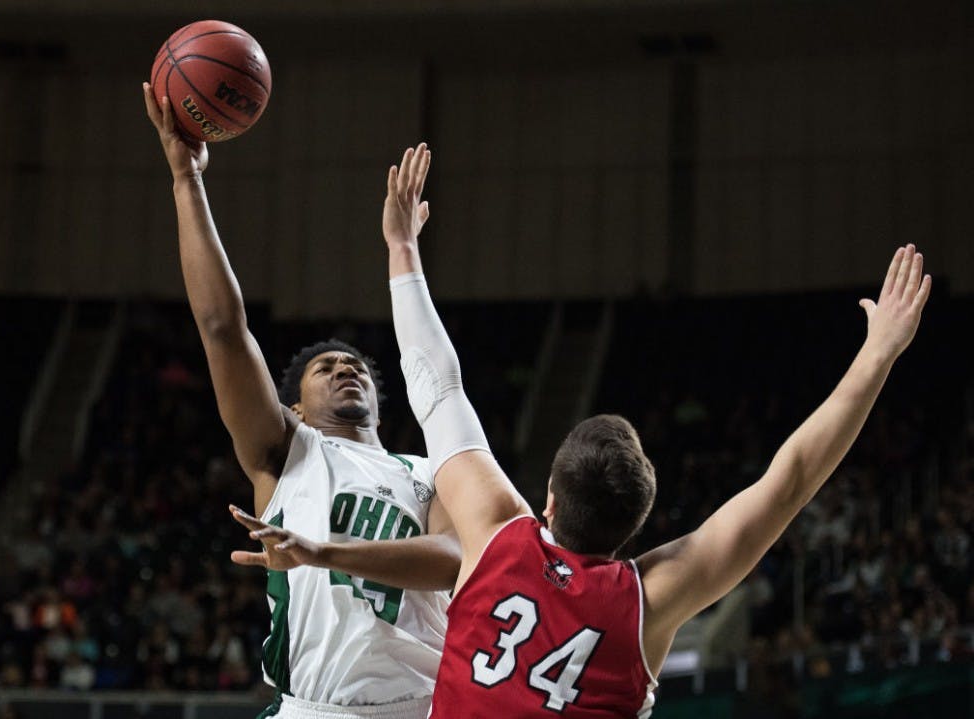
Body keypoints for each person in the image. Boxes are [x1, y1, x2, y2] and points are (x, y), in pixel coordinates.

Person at [235, 144, 932, 717]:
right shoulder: (646, 601)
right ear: (632, 529)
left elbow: (433, 380)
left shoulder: (494, 532)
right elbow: (789, 483)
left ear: (548, 499)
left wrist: (401, 248)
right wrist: (877, 355)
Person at [143, 89, 461, 719]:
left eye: (358, 367)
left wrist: (322, 553)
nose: (347, 369)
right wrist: (186, 179)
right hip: (317, 709)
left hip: (423, 707)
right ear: (292, 408)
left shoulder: (429, 471)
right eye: (326, 367)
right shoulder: (288, 454)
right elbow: (221, 326)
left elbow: (451, 562)